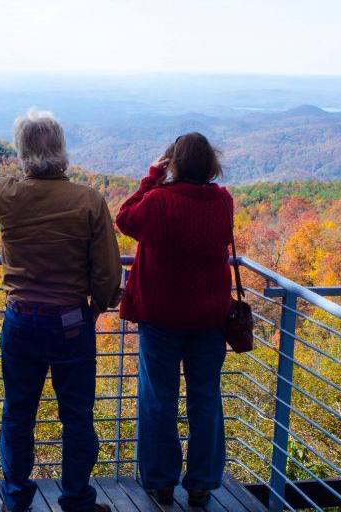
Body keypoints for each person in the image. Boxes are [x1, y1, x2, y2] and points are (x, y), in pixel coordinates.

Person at [0, 110, 122, 512]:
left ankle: (17, 498)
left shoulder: (10, 196)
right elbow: (108, 271)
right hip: (71, 322)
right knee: (77, 417)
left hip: (21, 320)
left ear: (22, 153)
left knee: (18, 413)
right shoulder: (88, 201)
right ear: (61, 150)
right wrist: (95, 309)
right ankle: (76, 499)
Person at [115, 132, 233, 507]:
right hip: (209, 320)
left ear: (174, 163)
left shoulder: (159, 202)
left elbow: (124, 218)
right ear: (211, 165)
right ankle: (201, 484)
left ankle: (161, 482)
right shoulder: (222, 202)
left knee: (158, 401)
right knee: (205, 401)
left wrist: (151, 177)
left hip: (161, 319)